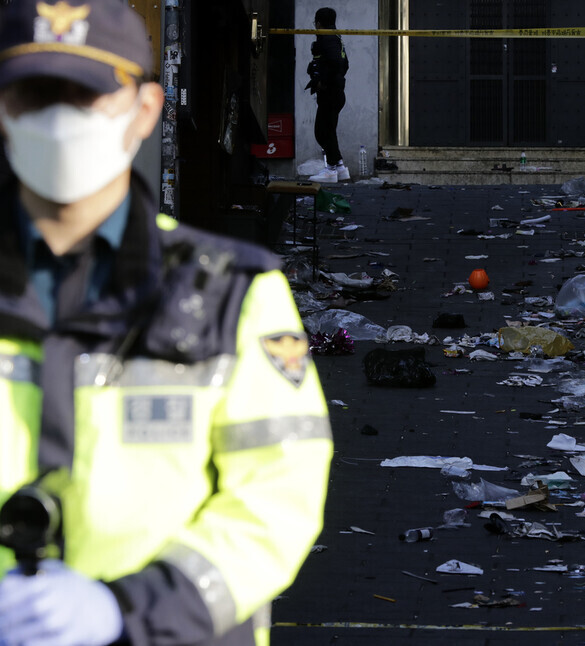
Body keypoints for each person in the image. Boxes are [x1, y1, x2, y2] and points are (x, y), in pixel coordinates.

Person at [0, 2, 334, 646]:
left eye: (87, 96)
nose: (59, 120)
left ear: (144, 111)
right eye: (35, 95)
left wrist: (126, 612)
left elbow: (276, 498)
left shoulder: (228, 293)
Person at [306, 7, 349, 184]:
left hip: (331, 93)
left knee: (322, 132)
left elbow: (338, 64)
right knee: (328, 131)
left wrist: (324, 80)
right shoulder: (335, 38)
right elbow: (344, 64)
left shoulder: (328, 39)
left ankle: (331, 169)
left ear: (318, 22)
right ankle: (339, 166)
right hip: (335, 93)